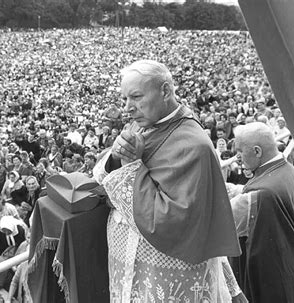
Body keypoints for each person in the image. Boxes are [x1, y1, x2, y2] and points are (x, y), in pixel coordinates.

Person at [93, 60, 242, 302]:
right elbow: (104, 173)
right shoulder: (141, 123)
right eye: (125, 100)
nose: (128, 108)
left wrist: (131, 165)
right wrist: (115, 156)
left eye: (136, 97)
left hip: (163, 270)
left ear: (164, 91)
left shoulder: (195, 145)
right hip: (128, 261)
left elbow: (169, 219)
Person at [231, 122, 294, 302]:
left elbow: (222, 221)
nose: (237, 157)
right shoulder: (289, 170)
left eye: (240, 151)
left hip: (272, 283)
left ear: (257, 151)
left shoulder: (259, 195)